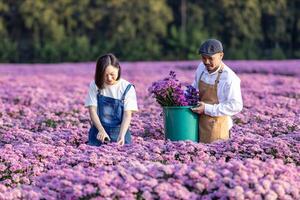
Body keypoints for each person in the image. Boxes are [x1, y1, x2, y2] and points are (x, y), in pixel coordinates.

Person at [191, 39, 243, 143]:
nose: (206, 62)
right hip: (198, 122)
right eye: (203, 58)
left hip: (217, 126)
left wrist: (207, 108)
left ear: (221, 56)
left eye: (210, 58)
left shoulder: (229, 77)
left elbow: (236, 105)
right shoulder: (201, 68)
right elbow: (194, 88)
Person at [85, 53, 138, 146]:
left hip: (120, 132)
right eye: (105, 75)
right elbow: (92, 110)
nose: (109, 78)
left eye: (112, 74)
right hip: (98, 133)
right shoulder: (95, 85)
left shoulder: (127, 88)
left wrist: (122, 135)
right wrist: (101, 130)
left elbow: (127, 115)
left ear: (118, 68)